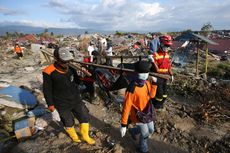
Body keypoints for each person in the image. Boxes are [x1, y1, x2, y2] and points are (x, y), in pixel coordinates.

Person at [42, 47, 95, 145]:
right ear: (56, 60)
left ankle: (85, 136)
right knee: (68, 121)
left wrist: (83, 75)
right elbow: (47, 91)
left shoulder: (70, 68)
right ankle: (74, 137)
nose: (66, 64)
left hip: (75, 98)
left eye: (68, 61)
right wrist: (52, 108)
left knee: (84, 116)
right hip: (61, 103)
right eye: (64, 61)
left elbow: (77, 81)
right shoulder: (48, 72)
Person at [120, 61, 157, 153]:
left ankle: (133, 131)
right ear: (136, 73)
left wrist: (154, 84)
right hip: (138, 115)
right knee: (145, 134)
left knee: (151, 130)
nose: (144, 75)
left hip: (147, 112)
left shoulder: (147, 83)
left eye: (146, 73)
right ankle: (143, 148)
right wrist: (123, 124)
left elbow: (151, 96)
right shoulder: (132, 88)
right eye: (142, 73)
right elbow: (126, 107)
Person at [149, 35, 174, 109]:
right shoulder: (155, 55)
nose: (167, 48)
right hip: (158, 77)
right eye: (166, 46)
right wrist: (153, 61)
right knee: (159, 95)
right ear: (162, 44)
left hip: (165, 77)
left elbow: (169, 66)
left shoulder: (167, 55)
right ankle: (155, 106)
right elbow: (156, 70)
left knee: (164, 95)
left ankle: (159, 105)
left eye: (168, 46)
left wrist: (171, 74)